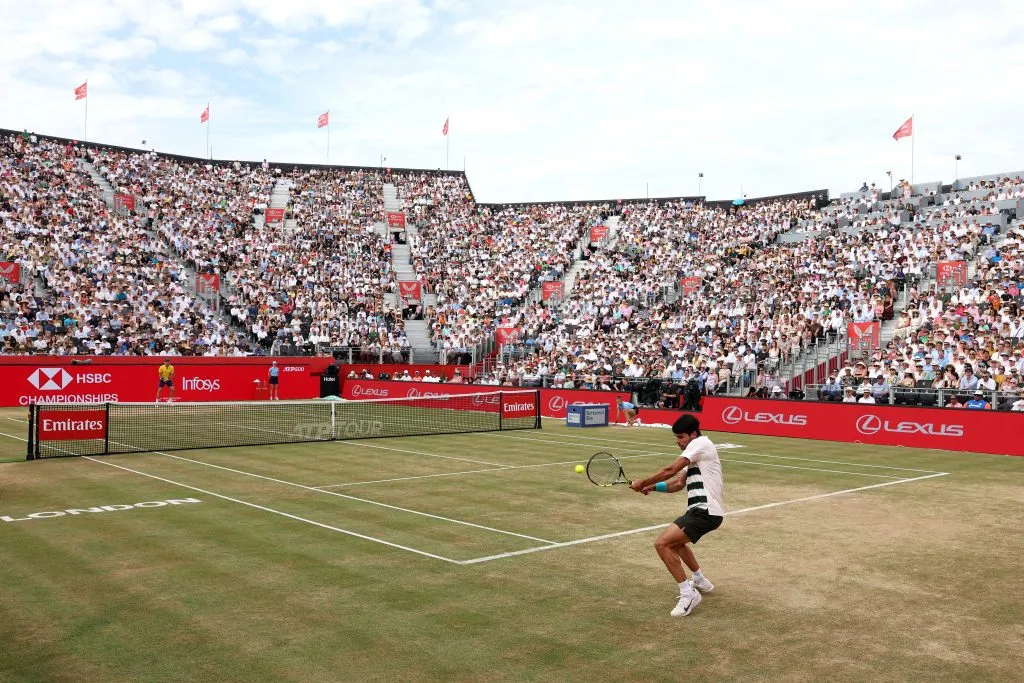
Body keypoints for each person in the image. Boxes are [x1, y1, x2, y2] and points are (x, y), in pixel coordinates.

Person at [630, 415, 725, 617]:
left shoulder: (701, 444)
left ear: (693, 434)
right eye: (676, 437)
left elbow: (670, 469)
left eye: (681, 437)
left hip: (705, 511)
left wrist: (643, 480)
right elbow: (678, 483)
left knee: (662, 544)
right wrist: (651, 487)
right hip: (700, 511)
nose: (678, 441)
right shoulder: (692, 453)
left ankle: (687, 594)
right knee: (676, 543)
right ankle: (699, 580)